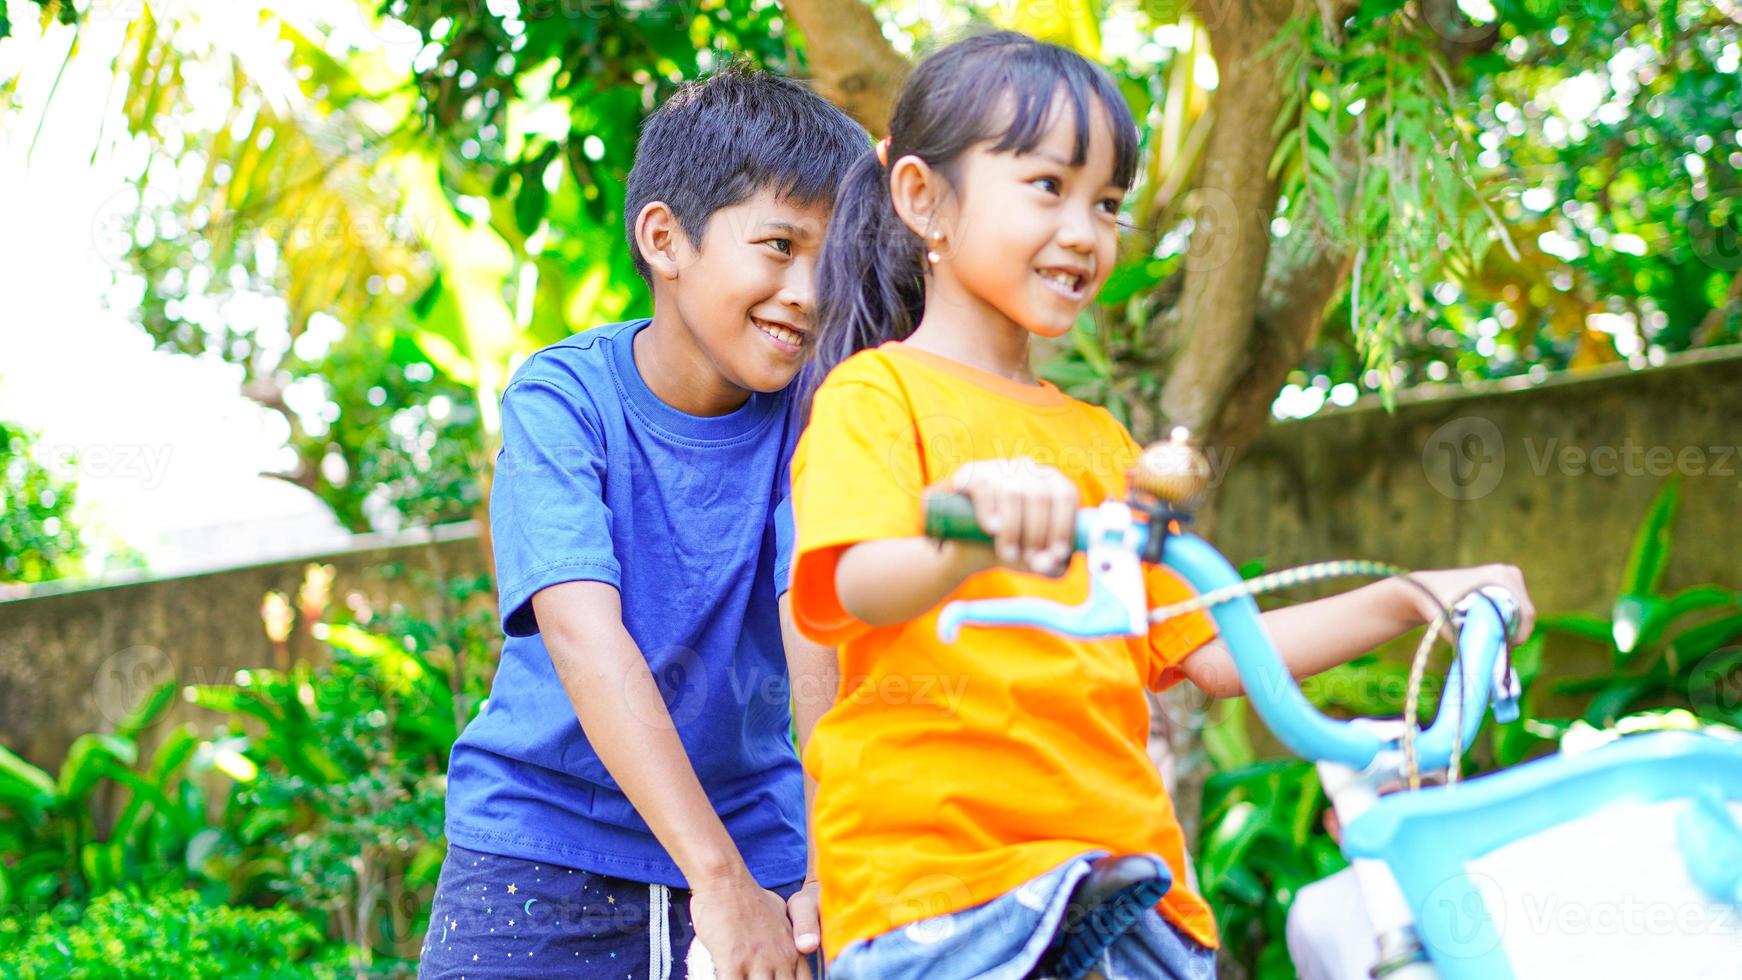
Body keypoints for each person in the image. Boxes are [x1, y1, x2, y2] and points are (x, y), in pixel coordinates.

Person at [786, 30, 1537, 980]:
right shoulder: (875, 396)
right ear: (924, 199)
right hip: (944, 892)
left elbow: (1216, 651)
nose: (1085, 232)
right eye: (1048, 186)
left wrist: (1409, 598)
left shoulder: (1102, 443)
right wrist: (962, 538)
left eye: (1106, 203)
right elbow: (855, 583)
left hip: (1118, 886)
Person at [419, 63, 865, 979]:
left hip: (764, 848)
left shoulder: (820, 414)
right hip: (543, 849)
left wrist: (829, 863)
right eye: (781, 246)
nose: (811, 291)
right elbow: (587, 643)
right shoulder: (563, 399)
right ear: (665, 237)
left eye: (834, 256)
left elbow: (818, 637)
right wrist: (720, 886)